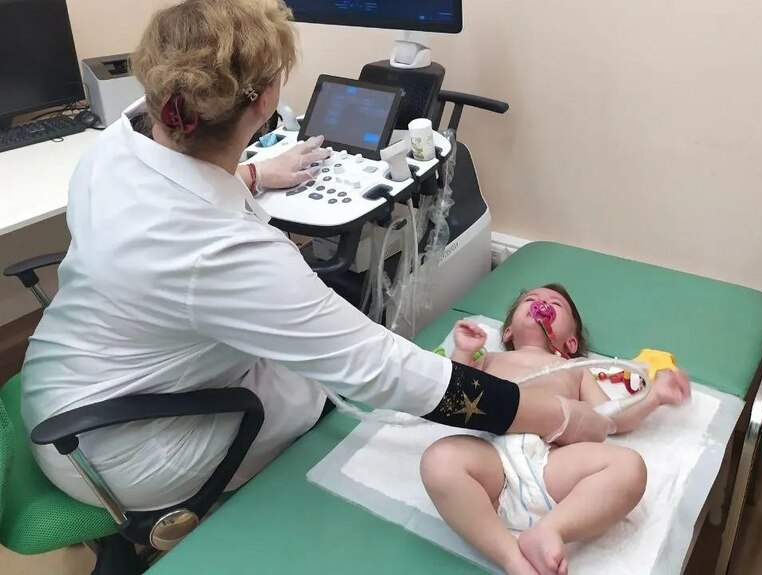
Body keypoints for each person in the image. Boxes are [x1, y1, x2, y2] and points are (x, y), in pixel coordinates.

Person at [19, 0, 612, 513]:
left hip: (62, 382)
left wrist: (253, 174)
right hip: (123, 452)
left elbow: (176, 197)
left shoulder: (117, 145)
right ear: (265, 100)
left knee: (320, 351)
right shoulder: (227, 253)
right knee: (328, 388)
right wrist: (559, 417)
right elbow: (384, 370)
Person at [420, 284, 691, 575]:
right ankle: (512, 558)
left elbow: (612, 417)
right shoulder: (489, 360)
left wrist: (655, 397)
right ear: (508, 332)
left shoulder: (576, 370)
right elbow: (455, 392)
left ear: (571, 343)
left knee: (630, 467)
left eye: (556, 304)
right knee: (439, 460)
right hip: (492, 462)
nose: (541, 304)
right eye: (530, 300)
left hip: (551, 464)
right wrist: (464, 351)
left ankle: (551, 529)